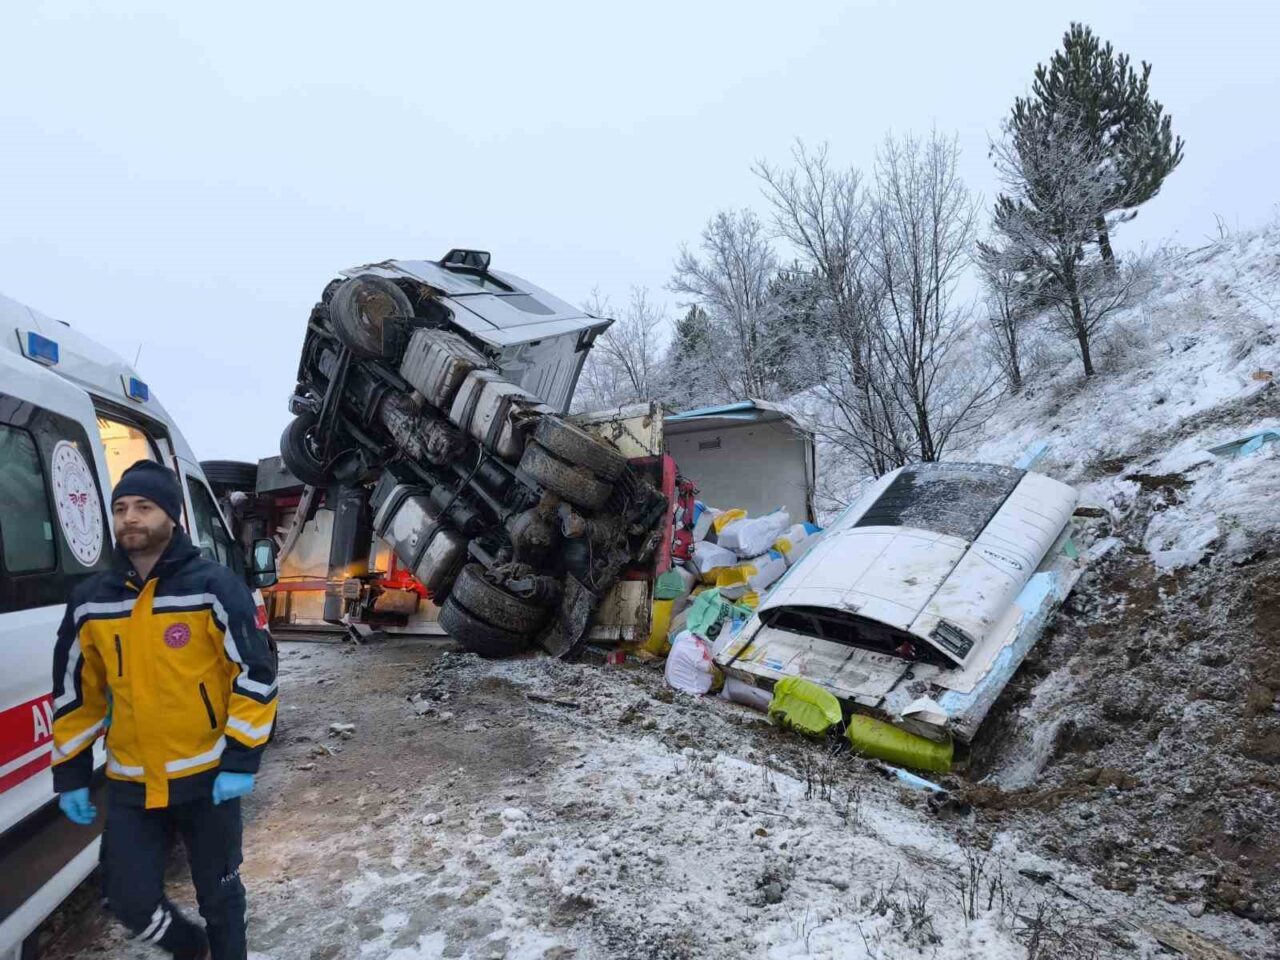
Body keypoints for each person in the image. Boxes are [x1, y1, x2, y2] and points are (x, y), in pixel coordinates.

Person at [50, 460, 278, 960]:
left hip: (207, 777)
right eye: (120, 508)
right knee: (126, 897)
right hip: (131, 781)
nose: (130, 517)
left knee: (220, 897)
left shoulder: (214, 586)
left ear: (171, 516)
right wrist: (70, 771)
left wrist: (241, 758)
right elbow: (77, 693)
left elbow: (254, 672)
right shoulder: (90, 600)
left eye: (144, 507)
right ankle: (192, 949)